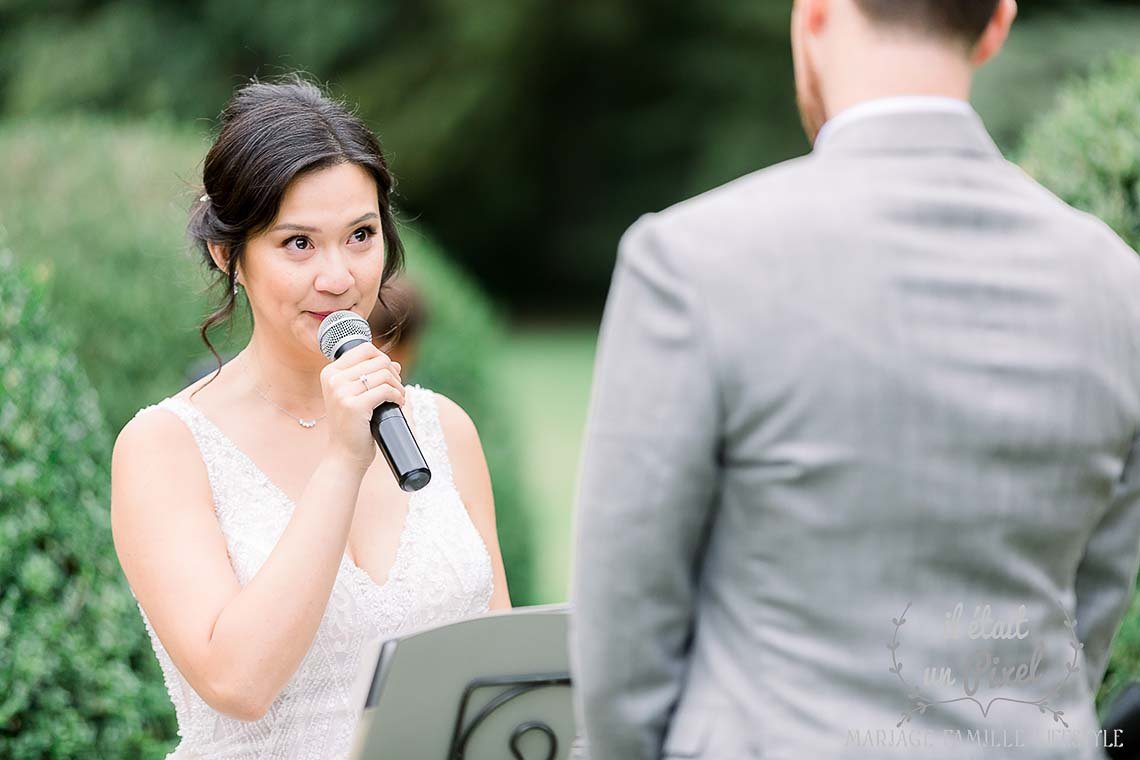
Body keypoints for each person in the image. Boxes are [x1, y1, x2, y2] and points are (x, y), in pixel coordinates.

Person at [570, 1, 1140, 758]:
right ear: (998, 23)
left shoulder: (691, 262)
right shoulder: (1117, 285)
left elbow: (622, 644)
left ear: (813, 15)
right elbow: (1091, 612)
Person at [110, 75, 511, 759]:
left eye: (361, 235)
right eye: (299, 243)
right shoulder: (164, 448)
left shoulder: (443, 429)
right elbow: (236, 682)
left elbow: (505, 672)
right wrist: (343, 462)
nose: (339, 277)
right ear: (229, 255)